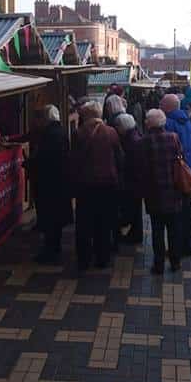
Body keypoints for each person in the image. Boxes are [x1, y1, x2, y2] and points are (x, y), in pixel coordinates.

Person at [71, 101, 123, 271]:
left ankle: (84, 258)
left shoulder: (79, 134)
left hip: (86, 185)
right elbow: (119, 158)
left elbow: (75, 159)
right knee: (104, 221)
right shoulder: (112, 132)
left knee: (84, 223)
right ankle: (103, 257)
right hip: (108, 184)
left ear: (85, 116)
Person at [137, 109, 184, 274]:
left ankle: (158, 264)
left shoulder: (144, 141)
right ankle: (175, 261)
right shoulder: (173, 138)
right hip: (173, 189)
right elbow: (180, 160)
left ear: (150, 123)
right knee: (174, 228)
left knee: (157, 230)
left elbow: (141, 168)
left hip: (154, 192)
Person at [29, 105, 72, 264]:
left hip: (50, 184)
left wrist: (29, 163)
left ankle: (50, 251)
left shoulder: (50, 135)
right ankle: (54, 248)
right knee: (55, 221)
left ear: (47, 119)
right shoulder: (60, 132)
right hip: (59, 183)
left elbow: (44, 159)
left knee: (51, 220)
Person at [160, 93, 191, 257]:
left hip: (175, 174)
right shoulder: (188, 122)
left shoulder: (168, 123)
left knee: (175, 215)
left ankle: (178, 248)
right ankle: (188, 245)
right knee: (186, 212)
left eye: (162, 104)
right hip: (188, 173)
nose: (160, 107)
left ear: (168, 107)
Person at [114, 113, 144, 244]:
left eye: (117, 126)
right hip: (135, 181)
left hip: (132, 181)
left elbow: (128, 163)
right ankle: (135, 234)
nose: (116, 128)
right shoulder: (134, 136)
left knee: (132, 209)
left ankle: (133, 234)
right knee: (135, 209)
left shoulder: (131, 141)